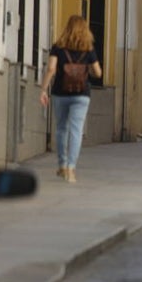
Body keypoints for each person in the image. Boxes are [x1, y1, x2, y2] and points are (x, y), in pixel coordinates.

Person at [39, 15, 103, 183]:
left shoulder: (58, 47)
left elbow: (51, 69)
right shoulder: (88, 49)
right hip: (81, 94)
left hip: (60, 92)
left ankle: (62, 164)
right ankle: (71, 169)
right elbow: (98, 73)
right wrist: (86, 68)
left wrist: (43, 89)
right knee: (76, 131)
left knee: (61, 129)